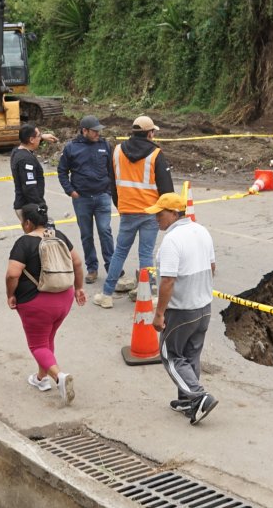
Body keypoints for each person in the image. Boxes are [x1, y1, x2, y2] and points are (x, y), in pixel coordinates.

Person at [146, 192, 219, 425]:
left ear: (174, 213)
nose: (156, 218)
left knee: (171, 355)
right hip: (203, 307)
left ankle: (199, 397)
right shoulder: (202, 231)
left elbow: (168, 281)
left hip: (182, 310)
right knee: (191, 355)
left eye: (160, 214)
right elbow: (212, 267)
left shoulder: (172, 240)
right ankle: (188, 401)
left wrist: (159, 314)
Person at [4, 203, 86, 404]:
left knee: (38, 344)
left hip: (36, 303)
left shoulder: (24, 243)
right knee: (48, 339)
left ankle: (59, 377)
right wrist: (79, 288)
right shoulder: (59, 236)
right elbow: (77, 262)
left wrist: (10, 294)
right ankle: (41, 379)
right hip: (64, 299)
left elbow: (12, 274)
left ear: (28, 223)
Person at [94, 115, 173, 308]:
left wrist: (120, 205)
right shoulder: (156, 154)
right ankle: (148, 294)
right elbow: (166, 188)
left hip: (127, 210)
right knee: (146, 254)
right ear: (150, 133)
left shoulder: (117, 151)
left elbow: (112, 182)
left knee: (120, 252)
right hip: (150, 211)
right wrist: (165, 212)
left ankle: (106, 295)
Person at [57, 115, 114, 287]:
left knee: (105, 231)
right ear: (84, 130)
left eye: (99, 131)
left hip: (102, 196)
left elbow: (112, 170)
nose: (98, 133)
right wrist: (70, 191)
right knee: (87, 235)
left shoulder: (104, 145)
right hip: (82, 199)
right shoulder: (71, 148)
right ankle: (92, 268)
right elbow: (62, 171)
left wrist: (109, 191)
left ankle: (112, 267)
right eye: (94, 131)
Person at [10, 123, 58, 219]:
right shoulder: (26, 160)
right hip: (30, 207)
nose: (40, 138)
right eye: (39, 136)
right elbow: (29, 187)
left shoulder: (17, 151)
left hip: (27, 205)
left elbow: (29, 143)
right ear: (31, 140)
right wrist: (41, 206)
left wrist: (42, 137)